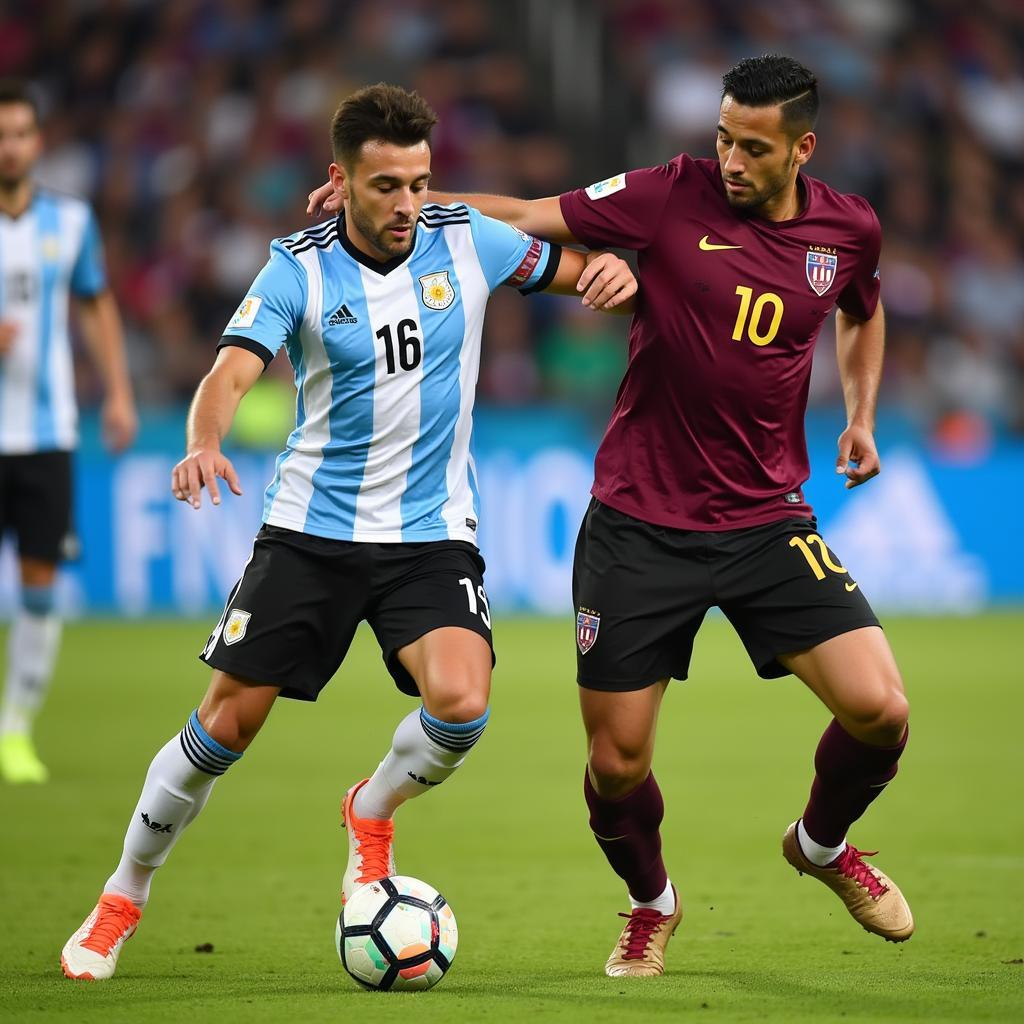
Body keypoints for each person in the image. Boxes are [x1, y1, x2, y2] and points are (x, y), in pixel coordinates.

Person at [311, 53, 914, 978]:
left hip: (768, 519)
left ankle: (823, 846)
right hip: (639, 524)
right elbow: (520, 214)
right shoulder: (671, 194)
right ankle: (650, 903)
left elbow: (862, 312)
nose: (731, 160)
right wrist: (391, 202)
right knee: (619, 766)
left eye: (753, 147)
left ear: (804, 148)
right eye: (722, 138)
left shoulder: (849, 229)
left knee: (882, 711)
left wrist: (863, 415)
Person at [60, 82, 636, 981]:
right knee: (226, 726)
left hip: (431, 534)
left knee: (462, 702)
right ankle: (121, 895)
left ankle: (370, 812)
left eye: (418, 183)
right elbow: (230, 371)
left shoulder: (466, 241)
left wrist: (611, 272)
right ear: (341, 180)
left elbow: (575, 268)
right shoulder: (296, 265)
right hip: (310, 533)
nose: (406, 204)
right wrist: (204, 441)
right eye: (386, 187)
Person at [0, 81, 136, 785]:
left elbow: (94, 306)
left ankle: (15, 729)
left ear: (38, 141)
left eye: (20, 132)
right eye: (2, 134)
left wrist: (116, 392)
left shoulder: (71, 223)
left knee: (40, 586)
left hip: (48, 432)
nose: (11, 145)